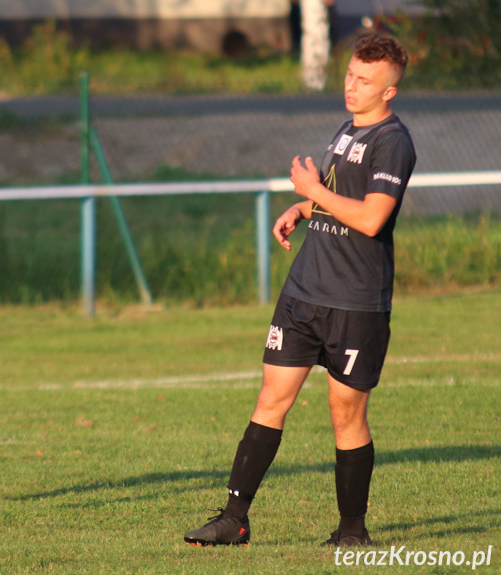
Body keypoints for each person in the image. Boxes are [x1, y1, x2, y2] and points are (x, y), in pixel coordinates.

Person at [184, 33, 416, 548]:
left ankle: (352, 532)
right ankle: (233, 519)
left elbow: (373, 218)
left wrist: (313, 191)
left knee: (345, 413)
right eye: (350, 74)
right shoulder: (344, 130)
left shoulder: (392, 142)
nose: (351, 87)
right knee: (271, 398)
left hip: (355, 303)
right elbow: (340, 201)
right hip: (304, 293)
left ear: (389, 91)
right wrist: (302, 209)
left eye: (365, 81)